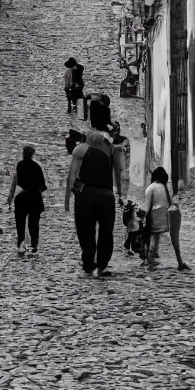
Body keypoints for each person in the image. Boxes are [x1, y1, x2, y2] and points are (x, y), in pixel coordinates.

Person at [64, 100, 123, 278]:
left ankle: (89, 264)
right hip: (106, 195)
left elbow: (72, 175)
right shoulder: (113, 145)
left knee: (85, 230)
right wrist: (119, 193)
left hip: (85, 194)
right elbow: (118, 172)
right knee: (106, 232)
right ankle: (102, 266)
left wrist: (67, 199)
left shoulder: (82, 146)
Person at [143, 167, 190, 271]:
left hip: (154, 220)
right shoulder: (165, 188)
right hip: (166, 220)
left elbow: (147, 208)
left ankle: (148, 257)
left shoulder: (150, 188)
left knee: (147, 234)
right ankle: (179, 261)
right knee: (164, 239)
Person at [7, 145, 47, 255]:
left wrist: (10, 198)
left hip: (22, 197)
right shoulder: (37, 167)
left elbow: (16, 182)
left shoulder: (19, 165)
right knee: (34, 223)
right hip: (35, 197)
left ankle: (21, 242)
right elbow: (42, 186)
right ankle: (34, 244)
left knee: (20, 221)